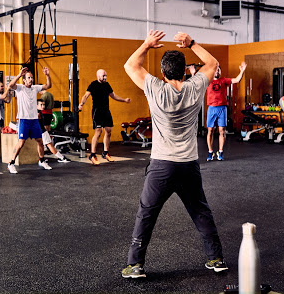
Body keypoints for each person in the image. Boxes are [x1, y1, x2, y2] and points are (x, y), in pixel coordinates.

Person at [121, 30, 227, 278]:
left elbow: (130, 65)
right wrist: (192, 43)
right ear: (184, 71)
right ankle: (216, 258)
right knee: (200, 211)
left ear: (162, 72)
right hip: (188, 164)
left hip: (162, 166)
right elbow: (213, 63)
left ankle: (135, 265)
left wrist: (147, 44)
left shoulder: (155, 87)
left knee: (146, 213)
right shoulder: (196, 86)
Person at [195, 62, 246, 161]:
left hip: (222, 108)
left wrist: (242, 71)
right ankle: (210, 152)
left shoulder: (224, 80)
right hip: (211, 108)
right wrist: (193, 73)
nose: (217, 71)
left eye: (218, 69)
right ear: (213, 72)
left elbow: (237, 79)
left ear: (220, 71)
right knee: (210, 131)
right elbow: (196, 83)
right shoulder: (208, 81)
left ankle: (220, 152)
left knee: (222, 131)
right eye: (216, 70)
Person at [78, 69, 130, 165]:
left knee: (108, 131)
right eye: (103, 76)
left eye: (106, 75)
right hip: (97, 111)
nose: (105, 77)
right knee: (98, 131)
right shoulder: (93, 84)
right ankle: (92, 155)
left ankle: (105, 153)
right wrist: (81, 104)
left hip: (106, 111)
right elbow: (86, 95)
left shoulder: (107, 85)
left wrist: (124, 100)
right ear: (98, 76)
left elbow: (113, 95)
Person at [6, 67, 52, 174]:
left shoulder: (35, 88)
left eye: (32, 78)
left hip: (34, 120)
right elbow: (10, 85)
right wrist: (19, 75)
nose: (31, 79)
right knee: (21, 142)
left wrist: (47, 75)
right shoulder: (20, 88)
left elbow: (48, 85)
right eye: (28, 78)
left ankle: (41, 160)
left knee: (40, 141)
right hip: (23, 120)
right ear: (24, 80)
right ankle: (11, 163)